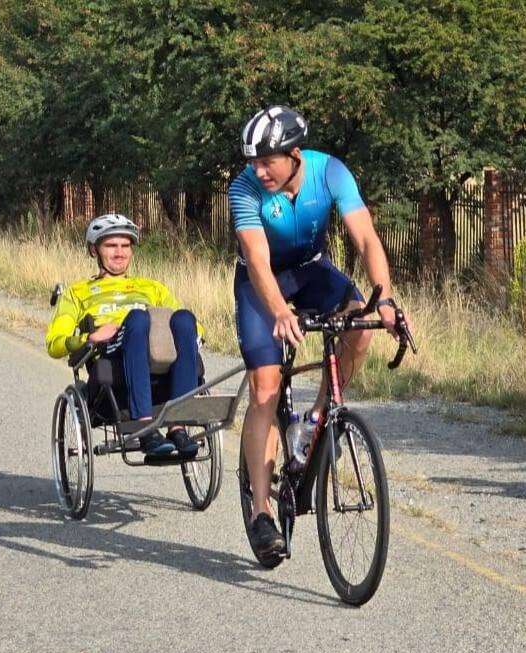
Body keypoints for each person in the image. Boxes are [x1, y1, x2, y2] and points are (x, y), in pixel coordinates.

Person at [229, 105, 408, 559]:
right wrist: (278, 312)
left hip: (311, 271)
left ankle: (316, 420)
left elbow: (365, 238)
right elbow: (257, 261)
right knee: (266, 388)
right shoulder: (243, 189)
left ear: (293, 153)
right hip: (261, 282)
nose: (259, 170)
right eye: (253, 161)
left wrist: (383, 298)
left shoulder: (329, 171)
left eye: (267, 160)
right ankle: (262, 512)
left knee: (358, 323)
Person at [46, 214, 204, 458]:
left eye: (125, 245)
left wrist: (196, 335)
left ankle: (178, 427)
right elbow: (55, 344)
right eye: (110, 245)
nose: (119, 253)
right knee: (138, 319)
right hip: (113, 357)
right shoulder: (77, 293)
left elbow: (195, 330)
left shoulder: (152, 287)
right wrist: (91, 337)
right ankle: (144, 428)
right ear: (93, 250)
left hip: (158, 357)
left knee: (184, 318)